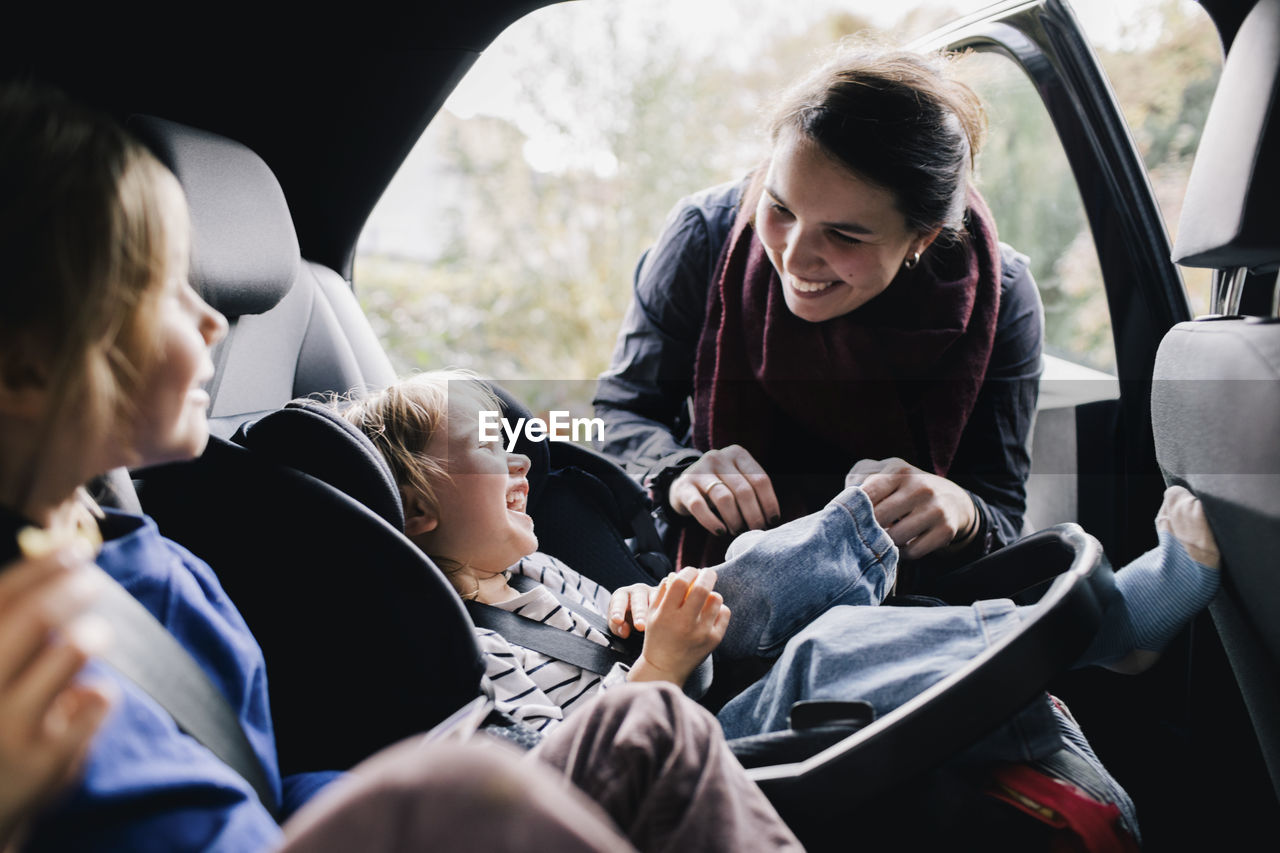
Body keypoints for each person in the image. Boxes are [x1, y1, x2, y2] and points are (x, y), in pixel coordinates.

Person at [0, 83, 802, 853]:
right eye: (163, 292)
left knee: (643, 731)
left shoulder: (133, 548)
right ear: (27, 366)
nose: (213, 319)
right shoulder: (33, 631)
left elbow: (253, 778)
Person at [344, 370, 1223, 841]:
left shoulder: (536, 578)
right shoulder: (463, 650)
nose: (524, 464)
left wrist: (645, 608)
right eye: (489, 454)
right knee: (826, 653)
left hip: (682, 680)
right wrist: (659, 667)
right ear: (420, 508)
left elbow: (611, 619)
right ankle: (1107, 626)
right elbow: (549, 782)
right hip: (675, 758)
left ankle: (866, 527)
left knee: (755, 568)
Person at [593, 40, 1044, 582]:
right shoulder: (704, 235)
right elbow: (616, 414)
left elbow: (1001, 515)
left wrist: (962, 513)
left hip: (895, 603)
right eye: (779, 207)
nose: (793, 255)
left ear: (921, 239)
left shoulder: (1004, 297)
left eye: (845, 235)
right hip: (704, 579)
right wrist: (678, 470)